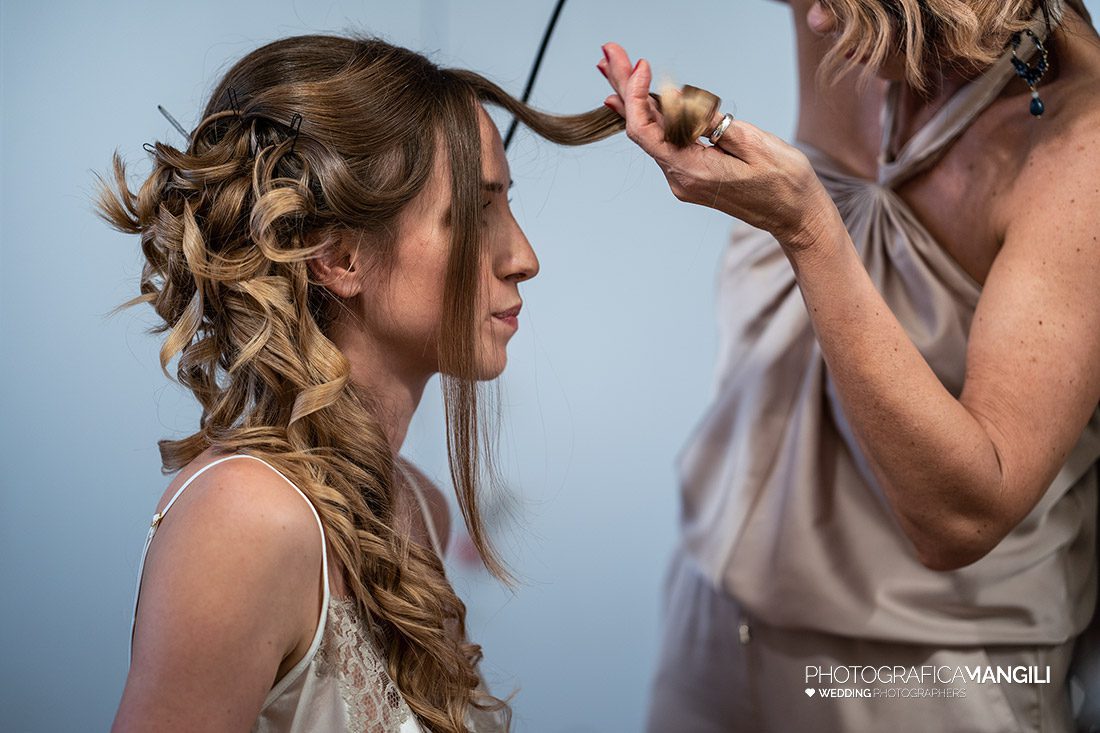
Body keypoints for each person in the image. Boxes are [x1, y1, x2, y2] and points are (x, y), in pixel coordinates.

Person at [596, 0, 1100, 730]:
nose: (817, 23)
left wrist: (809, 232)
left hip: (930, 672)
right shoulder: (844, 17)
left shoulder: (1080, 152)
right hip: (712, 608)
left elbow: (961, 519)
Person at [100, 34, 621, 733]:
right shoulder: (245, 521)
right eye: (476, 209)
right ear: (340, 256)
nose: (523, 257)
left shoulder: (419, 509)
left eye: (506, 204)